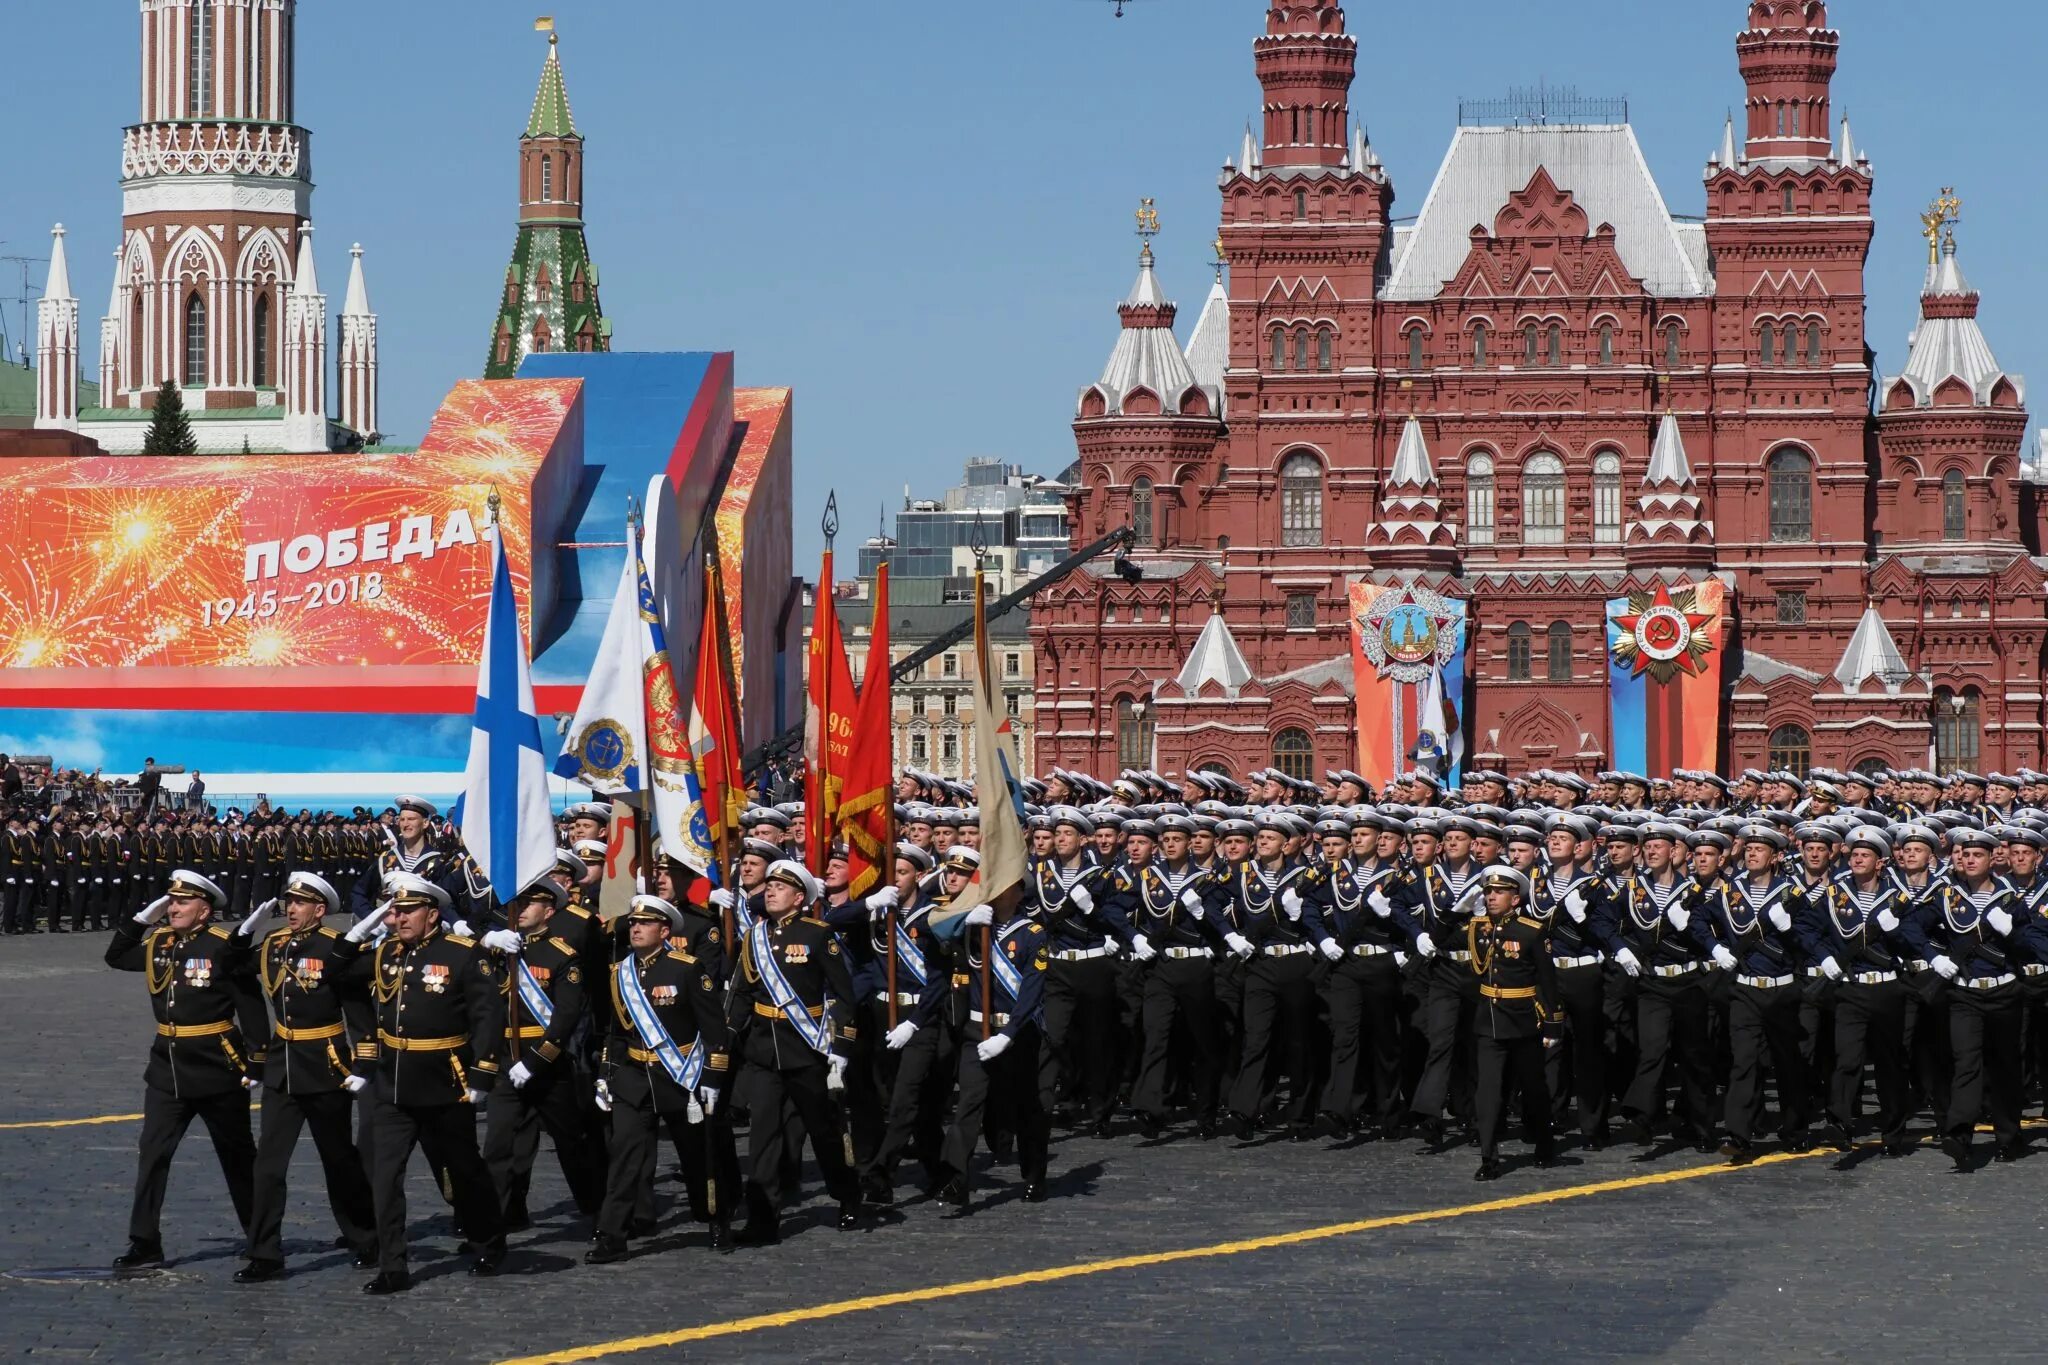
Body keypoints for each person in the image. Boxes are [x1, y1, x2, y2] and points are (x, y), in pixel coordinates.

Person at [353, 871, 507, 1294]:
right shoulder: (385, 953)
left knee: (464, 1169)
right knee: (385, 1176)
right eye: (394, 910)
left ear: (432, 912)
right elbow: (338, 974)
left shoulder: (461, 953)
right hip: (392, 1082)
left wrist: (483, 1072)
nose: (398, 918)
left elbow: (487, 1015)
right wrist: (357, 933)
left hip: (444, 1080)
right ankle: (393, 1265)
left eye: (407, 911)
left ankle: (489, 1241)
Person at [104, 869, 264, 1269]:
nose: (173, 908)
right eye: (171, 902)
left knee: (238, 1157)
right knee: (152, 1153)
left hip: (217, 1067)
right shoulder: (159, 942)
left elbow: (252, 1009)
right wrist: (142, 918)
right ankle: (145, 1241)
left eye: (182, 903)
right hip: (166, 1067)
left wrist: (259, 1060)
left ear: (204, 910)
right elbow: (117, 956)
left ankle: (260, 1238)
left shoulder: (224, 947)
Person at [234, 871, 384, 1282]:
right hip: (283, 1063)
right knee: (268, 1164)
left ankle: (365, 1235)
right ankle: (264, 1252)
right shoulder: (273, 945)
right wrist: (242, 934)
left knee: (338, 1159)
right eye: (289, 902)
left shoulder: (337, 948)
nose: (291, 909)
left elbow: (358, 1010)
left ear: (320, 910)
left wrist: (364, 1062)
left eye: (300, 903)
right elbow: (232, 970)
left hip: (326, 1063)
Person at [588, 895, 737, 1262]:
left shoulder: (687, 969)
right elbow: (614, 1031)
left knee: (697, 1155)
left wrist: (713, 1079)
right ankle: (612, 1235)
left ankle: (715, 1217)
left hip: (680, 1076)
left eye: (645, 924)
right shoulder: (618, 973)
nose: (635, 929)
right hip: (635, 1076)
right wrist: (607, 1074)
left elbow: (714, 1028)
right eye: (633, 923)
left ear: (665, 930)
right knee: (624, 1155)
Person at [724, 858, 863, 1244]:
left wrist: (840, 1048)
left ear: (799, 897)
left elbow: (842, 995)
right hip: (765, 1051)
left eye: (780, 887)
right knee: (762, 1137)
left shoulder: (818, 935)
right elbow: (741, 993)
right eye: (768, 886)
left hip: (808, 1050)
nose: (770, 891)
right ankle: (763, 1218)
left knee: (824, 1131)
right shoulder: (754, 938)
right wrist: (726, 1038)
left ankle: (847, 1192)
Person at [480, 874, 606, 1233]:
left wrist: (536, 1060)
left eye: (528, 904)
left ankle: (598, 1214)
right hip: (505, 1060)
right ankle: (497, 1223)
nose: (518, 910)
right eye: (515, 904)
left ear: (549, 911)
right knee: (499, 1147)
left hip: (547, 1065)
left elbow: (566, 1016)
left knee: (572, 1144)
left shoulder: (561, 956)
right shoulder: (500, 949)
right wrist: (485, 938)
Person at [940, 887, 1052, 1214]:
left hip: (1017, 1032)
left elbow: (1032, 989)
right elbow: (933, 926)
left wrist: (1009, 1033)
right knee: (968, 1105)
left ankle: (1034, 1174)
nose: (996, 892)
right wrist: (961, 919)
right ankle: (957, 1179)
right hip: (977, 1029)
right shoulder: (972, 927)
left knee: (1026, 1105)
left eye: (1006, 887)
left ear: (1018, 895)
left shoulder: (1032, 933)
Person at [1467, 866, 1559, 1180]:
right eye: (1488, 892)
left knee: (1533, 1087)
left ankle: (1544, 1143)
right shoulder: (1477, 927)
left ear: (1514, 898)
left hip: (1523, 1019)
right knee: (1488, 1091)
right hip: (1489, 1021)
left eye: (1499, 892)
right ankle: (1489, 1157)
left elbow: (1548, 981)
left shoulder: (1531, 930)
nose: (1491, 897)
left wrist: (1552, 1023)